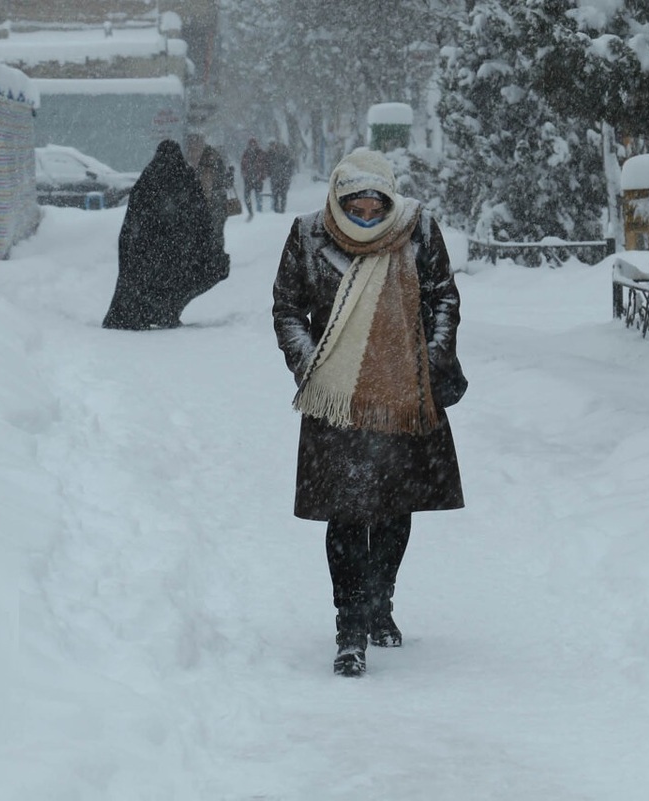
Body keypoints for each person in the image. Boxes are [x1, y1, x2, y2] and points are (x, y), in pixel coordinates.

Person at [271, 148, 467, 677]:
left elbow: (444, 297)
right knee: (345, 513)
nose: (364, 216)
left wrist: (428, 360)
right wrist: (311, 365)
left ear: (390, 200)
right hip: (336, 400)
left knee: (392, 507)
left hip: (403, 395)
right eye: (354, 206)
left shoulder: (417, 229)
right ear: (336, 197)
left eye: (373, 207)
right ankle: (349, 629)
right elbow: (287, 307)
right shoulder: (309, 234)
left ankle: (381, 604)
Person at [102, 139, 230, 330]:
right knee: (178, 280)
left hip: (149, 252)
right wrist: (201, 243)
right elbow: (200, 216)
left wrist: (139, 243)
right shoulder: (186, 177)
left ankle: (147, 312)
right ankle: (167, 311)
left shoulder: (148, 179)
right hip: (178, 251)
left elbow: (134, 217)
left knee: (147, 282)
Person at [184, 132, 233, 256]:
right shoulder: (189, 160)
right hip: (201, 202)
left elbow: (223, 181)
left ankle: (215, 255)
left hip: (214, 201)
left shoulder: (212, 159)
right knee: (206, 231)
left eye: (195, 143)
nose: (193, 147)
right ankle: (210, 255)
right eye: (191, 144)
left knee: (215, 230)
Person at [240, 137, 267, 220]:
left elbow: (265, 164)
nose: (252, 146)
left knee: (258, 196)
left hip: (258, 178)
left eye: (254, 144)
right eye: (251, 144)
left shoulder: (260, 153)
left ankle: (259, 213)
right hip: (248, 179)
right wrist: (244, 174)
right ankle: (251, 212)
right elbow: (242, 165)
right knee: (246, 197)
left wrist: (262, 174)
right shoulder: (246, 154)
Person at [266, 140, 295, 214]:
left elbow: (290, 165)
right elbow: (267, 166)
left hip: (283, 178)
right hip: (276, 178)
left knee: (282, 195)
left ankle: (281, 210)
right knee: (276, 195)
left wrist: (288, 174)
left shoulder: (284, 156)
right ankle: (277, 210)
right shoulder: (271, 155)